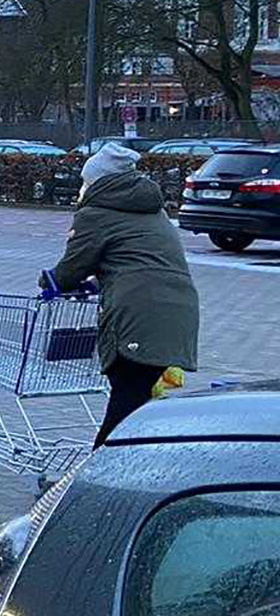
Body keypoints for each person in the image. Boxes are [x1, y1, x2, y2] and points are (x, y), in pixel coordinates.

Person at [47, 142, 200, 445]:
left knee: (125, 405)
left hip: (137, 316)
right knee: (136, 399)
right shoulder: (152, 211)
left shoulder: (96, 212)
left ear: (99, 181)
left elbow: (71, 270)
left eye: (86, 180)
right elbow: (138, 261)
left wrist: (49, 281)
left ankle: (93, 477)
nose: (83, 186)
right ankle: (134, 468)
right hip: (178, 310)